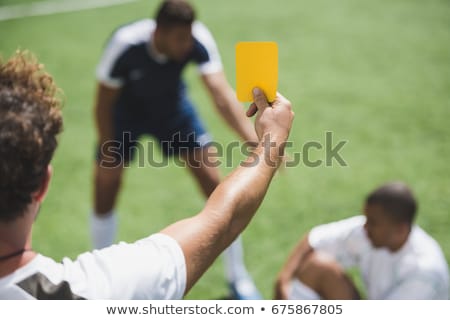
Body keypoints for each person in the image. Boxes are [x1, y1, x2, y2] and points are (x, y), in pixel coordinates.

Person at [0, 51, 294, 299]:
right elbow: (223, 220)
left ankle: (237, 276)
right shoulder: (92, 292)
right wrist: (272, 140)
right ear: (43, 184)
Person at [92, 0, 260, 299]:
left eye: (189, 37)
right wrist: (109, 148)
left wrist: (255, 140)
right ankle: (98, 278)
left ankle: (238, 277)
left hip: (172, 111)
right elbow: (103, 102)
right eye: (179, 39)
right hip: (125, 115)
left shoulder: (197, 39)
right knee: (106, 185)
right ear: (159, 32)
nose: (186, 45)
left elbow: (220, 94)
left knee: (217, 188)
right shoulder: (125, 44)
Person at [275, 182, 449, 300]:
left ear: (400, 230)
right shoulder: (372, 234)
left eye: (373, 223)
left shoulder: (425, 271)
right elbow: (315, 239)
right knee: (318, 266)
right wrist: (283, 279)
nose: (364, 227)